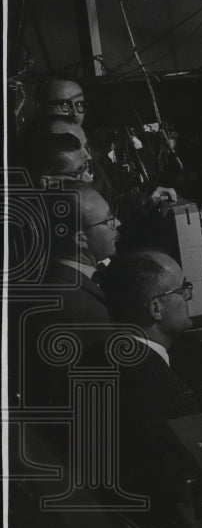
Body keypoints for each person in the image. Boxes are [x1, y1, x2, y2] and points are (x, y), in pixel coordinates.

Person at [96, 250, 202, 528]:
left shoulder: (97, 353)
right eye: (183, 290)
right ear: (156, 309)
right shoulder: (170, 394)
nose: (189, 297)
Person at [15, 184, 120, 410]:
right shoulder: (76, 307)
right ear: (81, 239)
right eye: (108, 220)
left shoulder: (54, 279)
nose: (117, 224)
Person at [33, 78, 177, 206]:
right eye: (64, 104)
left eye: (79, 105)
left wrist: (147, 199)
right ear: (41, 108)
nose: (75, 113)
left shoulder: (87, 148)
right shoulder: (34, 159)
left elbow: (110, 201)